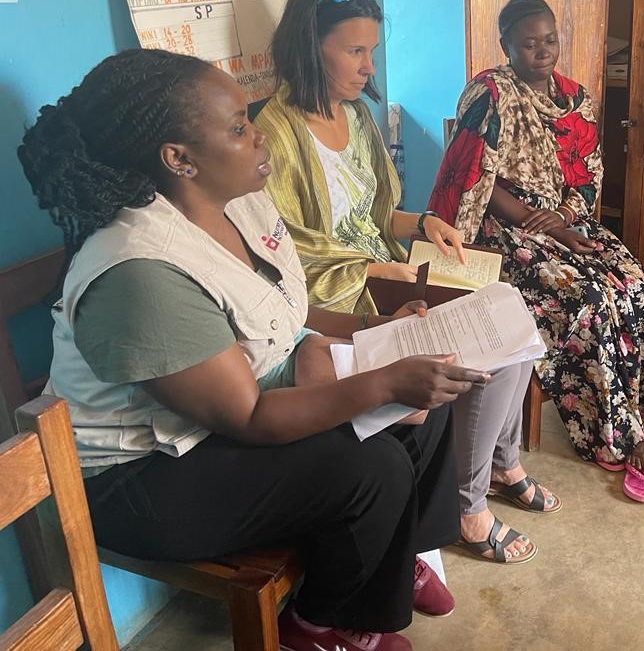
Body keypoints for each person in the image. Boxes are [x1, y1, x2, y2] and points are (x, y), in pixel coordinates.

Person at [17, 48, 495, 651]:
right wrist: (385, 382)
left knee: (422, 414)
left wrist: (372, 331)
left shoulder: (235, 200)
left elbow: (283, 314)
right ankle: (315, 623)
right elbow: (247, 417)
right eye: (240, 126)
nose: (261, 135)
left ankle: (388, 565)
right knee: (370, 465)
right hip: (141, 477)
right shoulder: (139, 272)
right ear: (178, 158)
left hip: (222, 416)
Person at [255, 0, 559, 563]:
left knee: (514, 320)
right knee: (480, 355)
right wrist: (376, 270)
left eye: (372, 51)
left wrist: (422, 225)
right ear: (308, 47)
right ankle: (469, 510)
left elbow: (376, 214)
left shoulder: (356, 118)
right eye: (354, 51)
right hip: (332, 291)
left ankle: (503, 463)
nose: (368, 67)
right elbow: (288, 247)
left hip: (385, 268)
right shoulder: (275, 132)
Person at [427, 0, 644, 504]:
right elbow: (476, 177)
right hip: (503, 229)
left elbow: (588, 175)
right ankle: (615, 433)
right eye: (528, 42)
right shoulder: (489, 94)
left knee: (639, 284)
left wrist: (562, 220)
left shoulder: (575, 99)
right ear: (506, 46)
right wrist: (534, 221)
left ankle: (633, 401)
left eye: (550, 40)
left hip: (562, 220)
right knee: (588, 299)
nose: (542, 51)